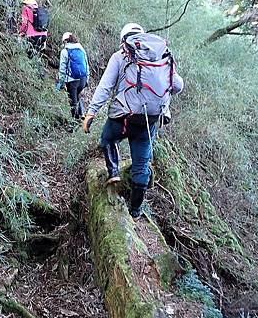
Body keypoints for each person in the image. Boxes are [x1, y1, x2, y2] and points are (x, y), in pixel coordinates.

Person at [82, 23, 184, 218]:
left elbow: (105, 87)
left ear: (124, 39)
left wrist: (91, 113)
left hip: (122, 118)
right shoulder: (161, 56)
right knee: (141, 165)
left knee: (107, 140)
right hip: (148, 120)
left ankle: (113, 173)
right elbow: (178, 85)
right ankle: (136, 211)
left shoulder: (121, 55)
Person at [56, 32, 89, 119]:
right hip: (83, 79)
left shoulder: (65, 51)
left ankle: (74, 122)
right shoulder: (81, 49)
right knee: (76, 96)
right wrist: (87, 79)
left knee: (72, 101)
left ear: (65, 41)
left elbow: (62, 69)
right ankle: (82, 114)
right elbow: (86, 64)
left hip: (72, 80)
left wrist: (61, 83)